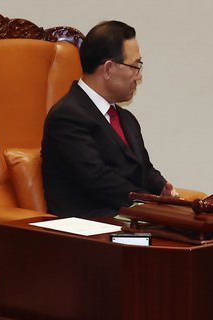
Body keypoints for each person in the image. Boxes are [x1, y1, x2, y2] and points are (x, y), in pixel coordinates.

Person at [41, 20, 177, 218]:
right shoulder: (67, 117)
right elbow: (97, 180)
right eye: (135, 66)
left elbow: (144, 169)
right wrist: (150, 204)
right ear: (108, 68)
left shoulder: (126, 118)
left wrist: (162, 191)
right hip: (90, 231)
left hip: (131, 223)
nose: (138, 77)